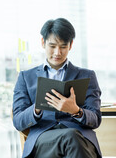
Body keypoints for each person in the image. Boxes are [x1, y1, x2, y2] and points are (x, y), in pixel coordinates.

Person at [13, 18, 102, 158]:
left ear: (70, 45)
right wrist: (36, 108)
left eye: (63, 46)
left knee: (73, 137)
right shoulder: (26, 77)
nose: (57, 52)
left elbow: (95, 118)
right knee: (71, 138)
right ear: (43, 43)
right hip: (43, 139)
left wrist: (76, 111)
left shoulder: (87, 76)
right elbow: (18, 121)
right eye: (52, 46)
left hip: (79, 138)